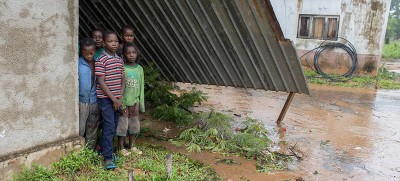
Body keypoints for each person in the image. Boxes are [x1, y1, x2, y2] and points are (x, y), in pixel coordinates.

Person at [95, 31, 125, 170]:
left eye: (116, 41)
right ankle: (107, 158)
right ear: (104, 43)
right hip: (106, 100)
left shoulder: (119, 59)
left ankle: (106, 150)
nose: (113, 44)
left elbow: (122, 79)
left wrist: (120, 97)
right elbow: (101, 81)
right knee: (108, 127)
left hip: (116, 100)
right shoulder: (101, 59)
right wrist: (113, 99)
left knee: (112, 127)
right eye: (110, 41)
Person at [116, 43, 145, 156]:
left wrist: (140, 104)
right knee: (123, 124)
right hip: (123, 103)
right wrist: (121, 104)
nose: (131, 55)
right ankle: (121, 146)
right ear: (124, 55)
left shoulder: (140, 69)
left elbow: (141, 87)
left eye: (133, 53)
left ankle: (132, 145)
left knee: (134, 124)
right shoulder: (122, 68)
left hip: (135, 102)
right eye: (128, 53)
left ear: (136, 54)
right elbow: (118, 87)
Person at [78, 38, 101, 150]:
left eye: (91, 53)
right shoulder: (78, 63)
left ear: (95, 51)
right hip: (82, 101)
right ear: (81, 51)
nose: (88, 55)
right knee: (80, 127)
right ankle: (79, 150)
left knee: (93, 125)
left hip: (94, 100)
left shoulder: (98, 63)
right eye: (85, 53)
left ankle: (90, 149)